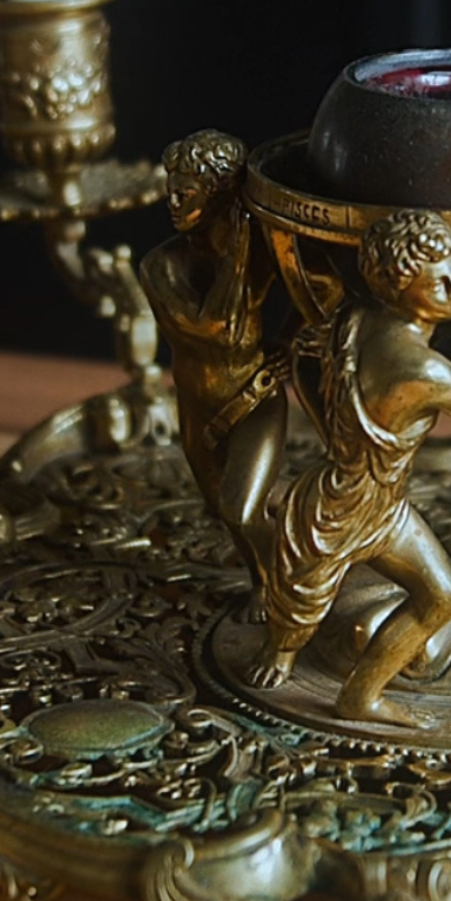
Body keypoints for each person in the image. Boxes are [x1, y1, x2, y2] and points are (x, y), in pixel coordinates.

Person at [253, 209, 451, 728]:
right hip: (353, 504)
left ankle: (356, 692)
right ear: (400, 286)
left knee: (442, 596)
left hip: (373, 498)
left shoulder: (358, 320)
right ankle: (284, 655)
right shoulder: (419, 368)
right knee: (306, 596)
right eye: (436, 280)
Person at [140, 130, 288, 574]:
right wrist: (236, 258)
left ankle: (282, 592)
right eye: (171, 193)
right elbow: (213, 327)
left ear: (221, 196)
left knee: (240, 511)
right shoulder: (160, 266)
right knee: (224, 513)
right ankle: (264, 576)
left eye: (185, 195)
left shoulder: (261, 255)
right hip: (196, 408)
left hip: (253, 399)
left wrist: (287, 343)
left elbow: (316, 299)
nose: (173, 204)